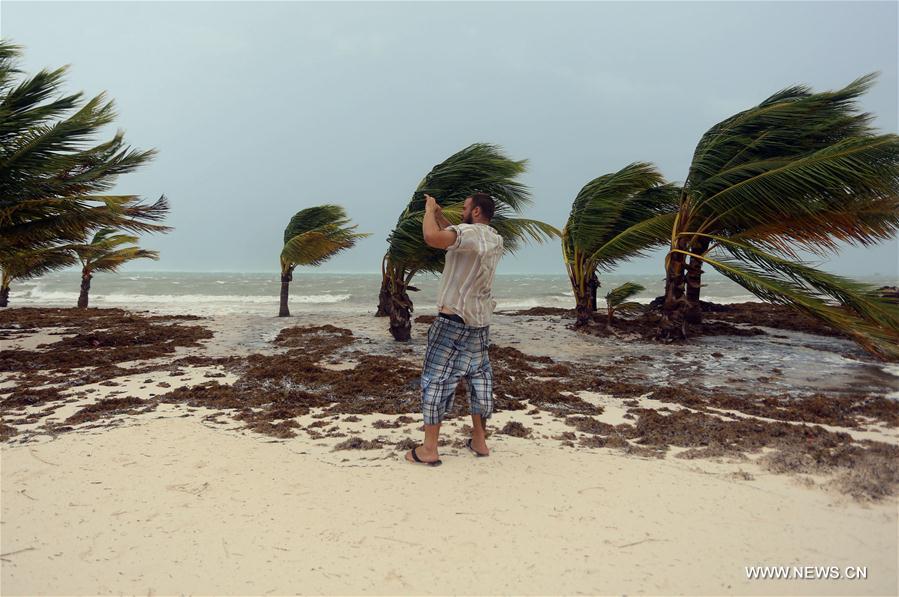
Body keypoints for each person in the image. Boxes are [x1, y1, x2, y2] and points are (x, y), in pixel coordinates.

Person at [405, 192, 504, 467]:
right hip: (479, 324)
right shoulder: (494, 239)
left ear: (476, 211)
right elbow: (457, 234)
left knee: (436, 381)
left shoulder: (469, 235)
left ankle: (429, 449)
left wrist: (428, 211)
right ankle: (480, 441)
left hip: (452, 322)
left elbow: (432, 237)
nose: (461, 211)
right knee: (479, 381)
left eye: (465, 207)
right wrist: (440, 215)